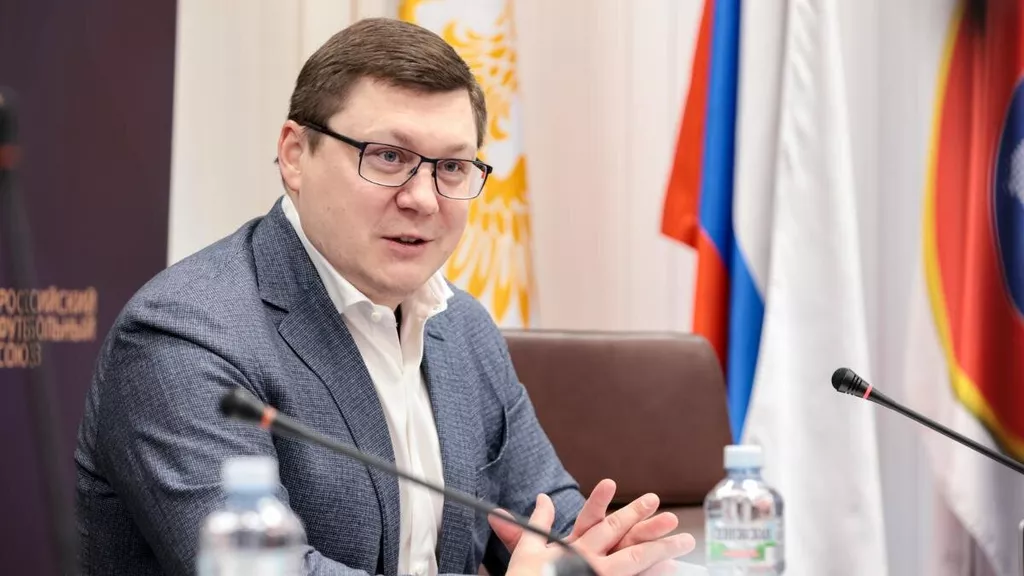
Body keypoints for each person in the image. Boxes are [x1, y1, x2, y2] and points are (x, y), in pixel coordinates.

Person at [74, 17, 694, 576]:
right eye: (389, 157)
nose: (423, 199)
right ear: (295, 155)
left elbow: (549, 519)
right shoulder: (186, 336)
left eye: (452, 167)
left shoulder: (461, 326)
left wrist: (608, 558)